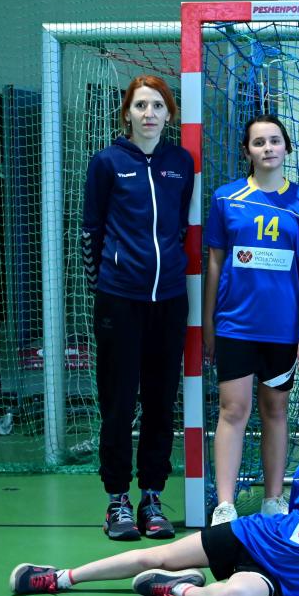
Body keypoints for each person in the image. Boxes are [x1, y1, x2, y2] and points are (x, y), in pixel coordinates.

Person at [10, 410, 299, 596]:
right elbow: (296, 520)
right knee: (154, 554)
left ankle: (178, 589)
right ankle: (59, 577)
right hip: (253, 535)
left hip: (279, 578)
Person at [81, 74, 194, 541]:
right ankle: (117, 500)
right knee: (119, 401)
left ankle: (151, 496)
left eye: (158, 106)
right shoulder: (106, 162)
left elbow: (179, 227)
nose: (149, 114)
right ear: (127, 112)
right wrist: (105, 287)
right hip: (119, 300)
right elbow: (90, 230)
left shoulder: (180, 163)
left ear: (169, 115)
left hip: (169, 300)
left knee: (161, 402)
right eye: (141, 105)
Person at [203, 115, 299, 525]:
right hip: (235, 325)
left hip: (283, 330)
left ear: (287, 147)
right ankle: (225, 503)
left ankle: (273, 497)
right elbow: (214, 264)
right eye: (259, 142)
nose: (268, 148)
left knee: (275, 410)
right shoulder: (226, 198)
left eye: (275, 140)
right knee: (233, 409)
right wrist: (209, 323)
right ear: (247, 151)